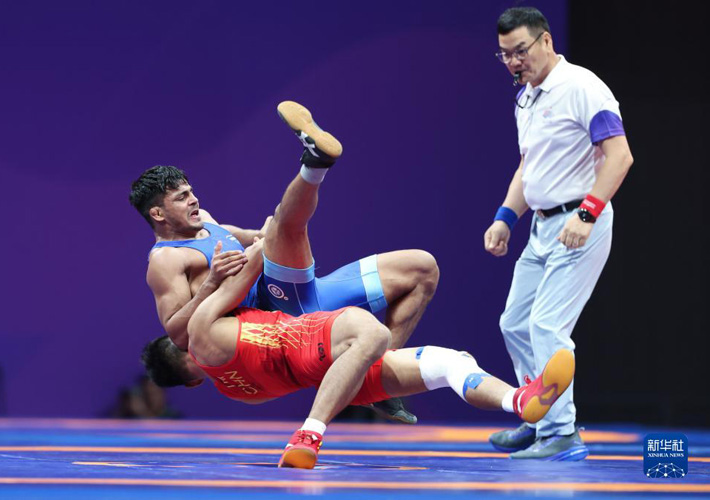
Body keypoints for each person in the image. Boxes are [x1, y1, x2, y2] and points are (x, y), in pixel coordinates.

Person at [141, 237, 575, 469]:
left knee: (447, 362)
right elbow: (252, 264)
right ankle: (308, 435)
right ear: (180, 344)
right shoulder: (200, 330)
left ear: (191, 382)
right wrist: (244, 249)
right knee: (374, 333)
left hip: (333, 377)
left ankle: (519, 400)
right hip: (313, 338)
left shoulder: (235, 392)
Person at [129, 101, 440, 424]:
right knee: (285, 225)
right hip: (272, 311)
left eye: (190, 191)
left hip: (305, 295)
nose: (193, 199)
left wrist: (260, 234)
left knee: (422, 269)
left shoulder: (205, 220)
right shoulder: (166, 259)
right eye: (181, 198)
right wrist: (211, 283)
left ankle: (375, 378)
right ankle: (315, 164)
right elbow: (179, 334)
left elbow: (251, 237)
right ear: (158, 214)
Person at [483, 7, 633, 460]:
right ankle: (538, 419)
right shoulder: (526, 99)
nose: (513, 62)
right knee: (514, 323)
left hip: (580, 223)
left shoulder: (582, 87)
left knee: (547, 326)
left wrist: (587, 214)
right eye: (505, 55)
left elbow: (620, 156)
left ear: (546, 41)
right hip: (542, 227)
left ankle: (561, 433)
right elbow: (530, 167)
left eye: (520, 51)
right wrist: (505, 217)